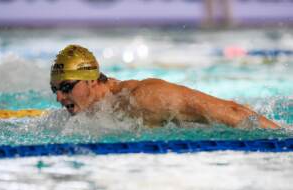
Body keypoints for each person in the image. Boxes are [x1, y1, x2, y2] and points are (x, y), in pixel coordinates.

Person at [50, 44, 280, 129]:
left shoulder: (144, 98)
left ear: (91, 79)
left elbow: (233, 112)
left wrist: (282, 137)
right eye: (56, 90)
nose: (59, 97)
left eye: (67, 87)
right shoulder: (88, 112)